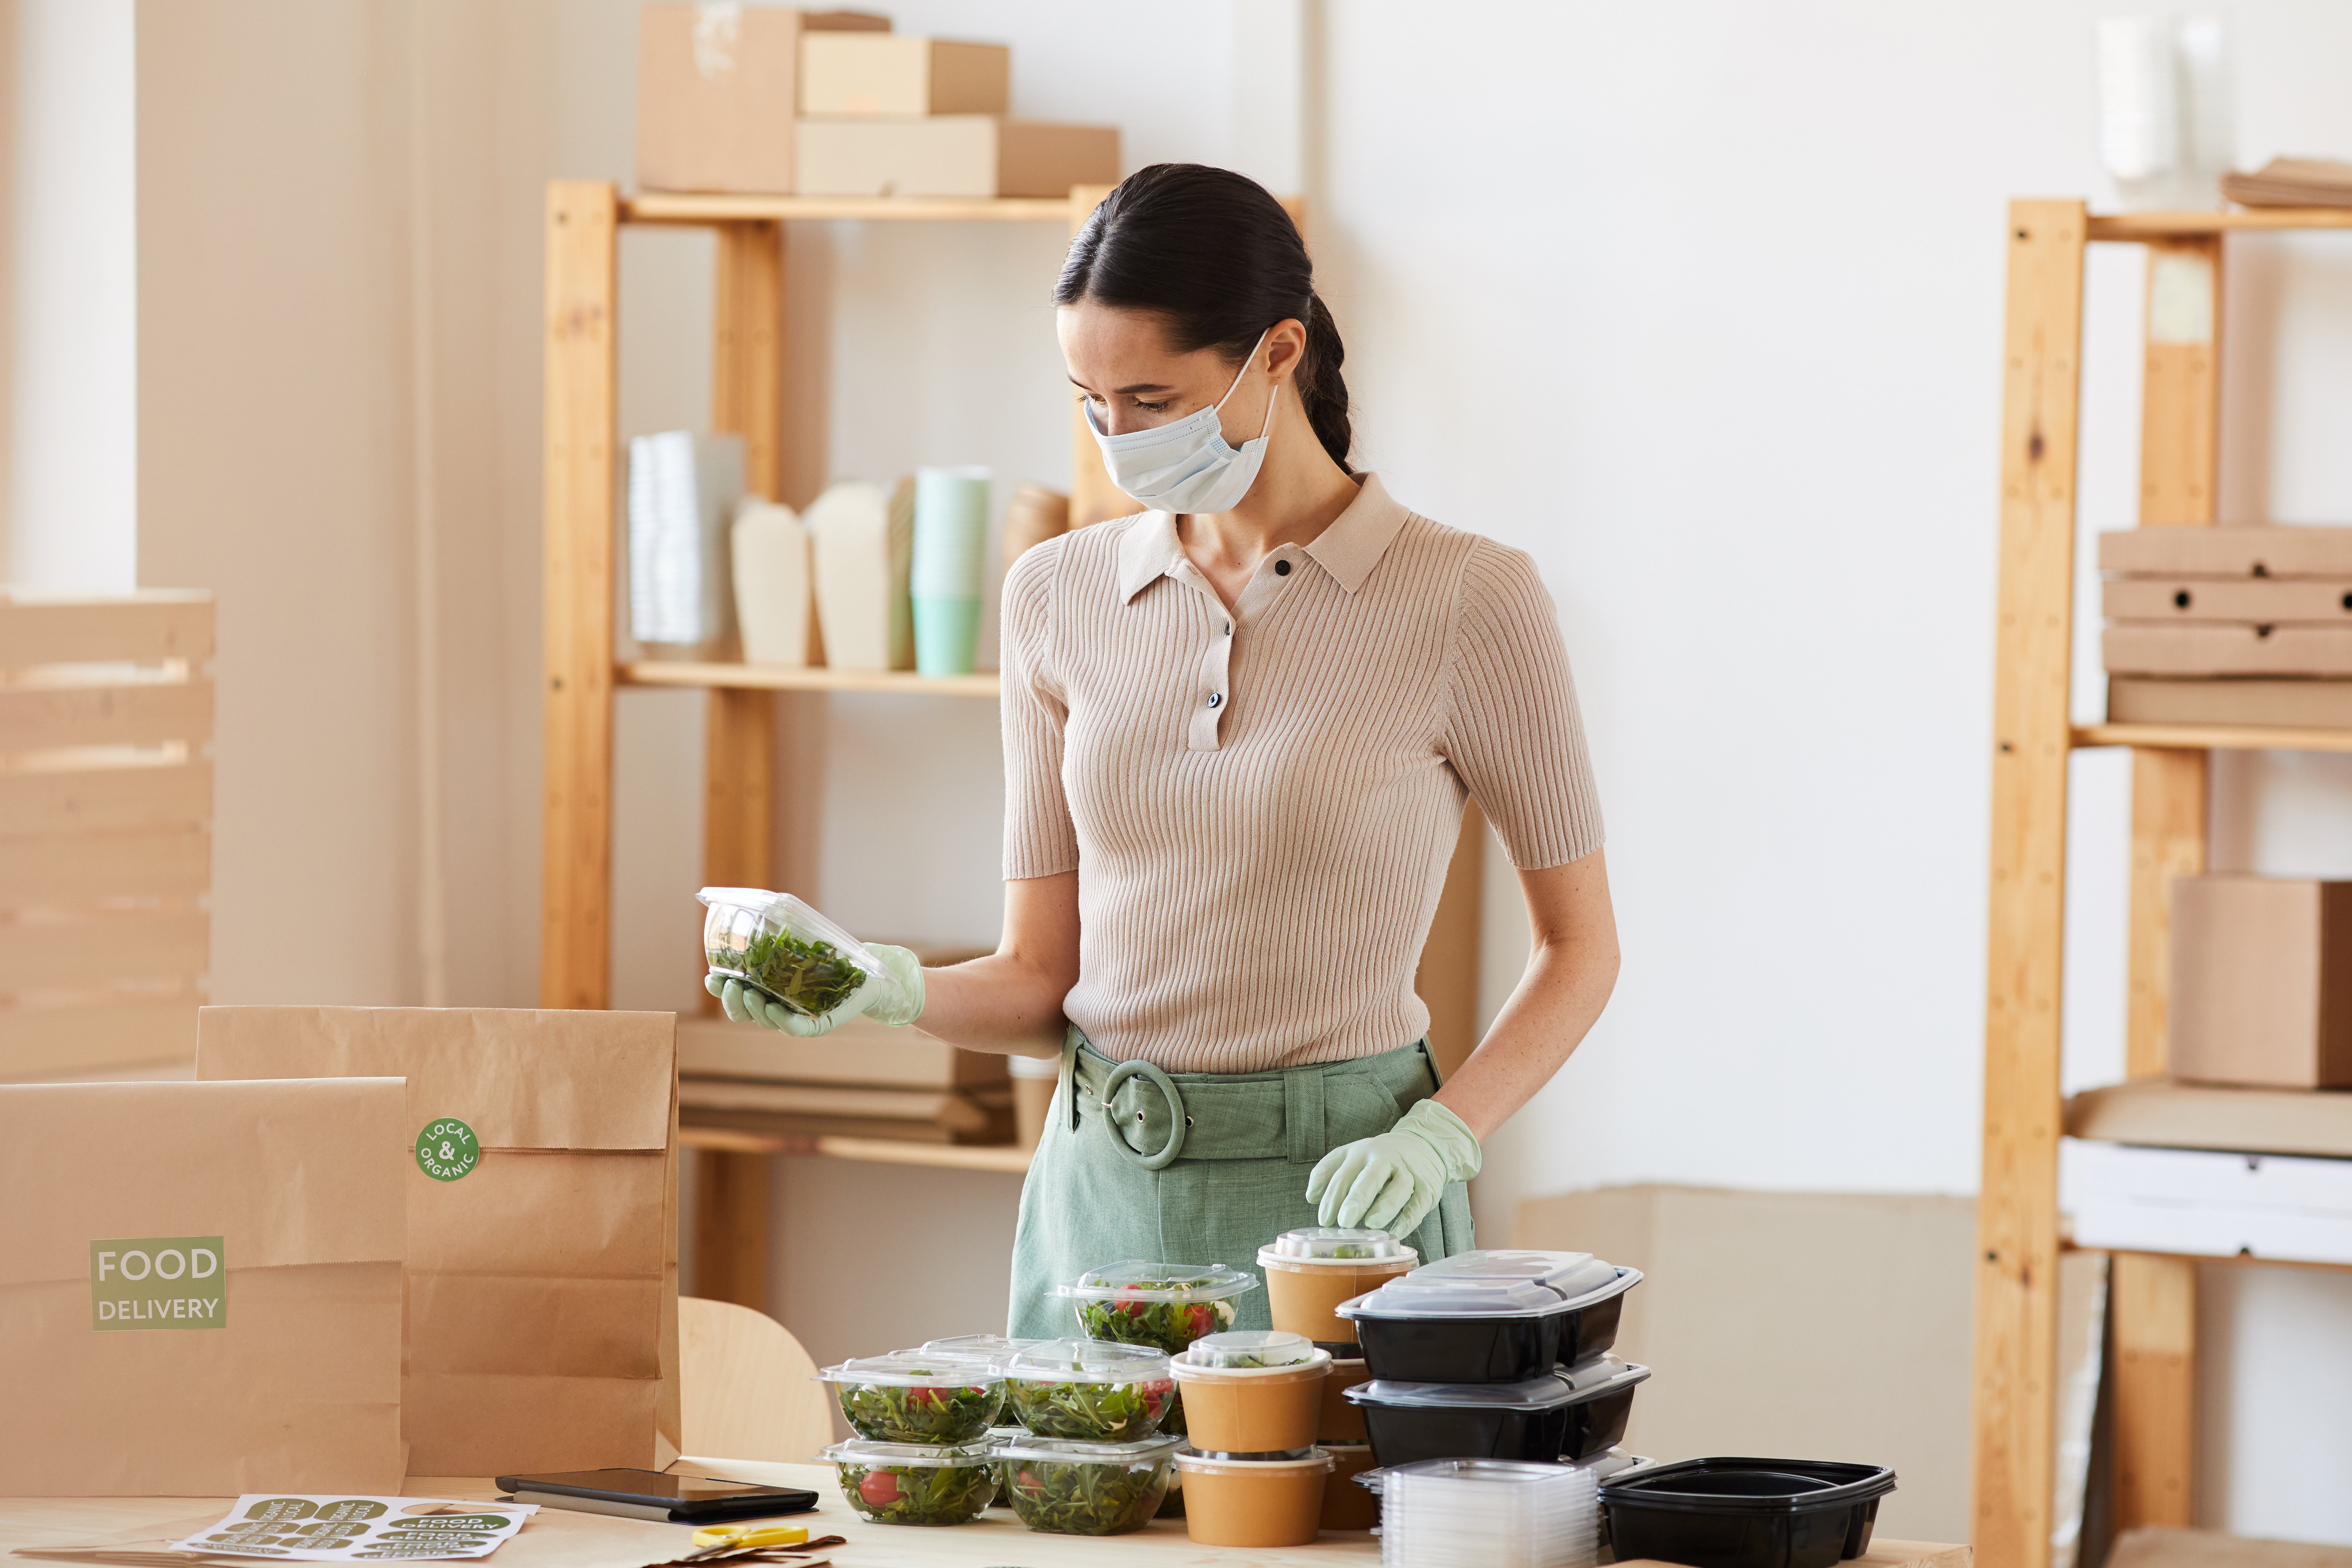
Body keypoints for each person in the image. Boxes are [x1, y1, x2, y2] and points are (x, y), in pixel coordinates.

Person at [710, 162, 1620, 1336]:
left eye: (1150, 400)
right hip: (1098, 1196)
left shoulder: (1468, 597)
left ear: (1279, 353)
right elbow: (1042, 977)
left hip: (1341, 1201)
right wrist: (882, 987)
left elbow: (1579, 946)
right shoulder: (1055, 594)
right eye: (1088, 401)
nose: (1115, 439)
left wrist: (1447, 1131)